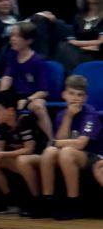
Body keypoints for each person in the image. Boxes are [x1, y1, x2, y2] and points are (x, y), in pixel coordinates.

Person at [35, 73, 102, 219]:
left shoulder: (90, 114)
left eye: (79, 95)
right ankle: (47, 200)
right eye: (71, 93)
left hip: (92, 156)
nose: (75, 98)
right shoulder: (62, 114)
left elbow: (81, 144)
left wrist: (55, 142)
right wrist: (69, 116)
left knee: (66, 152)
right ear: (64, 94)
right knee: (49, 152)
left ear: (85, 98)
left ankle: (73, 203)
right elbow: (60, 139)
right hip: (69, 152)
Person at [0, 88, 47, 214]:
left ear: (10, 110)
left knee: (22, 160)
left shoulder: (24, 120)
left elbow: (29, 149)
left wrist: (3, 153)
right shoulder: (2, 124)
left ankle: (37, 200)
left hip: (40, 157)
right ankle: (10, 201)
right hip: (22, 159)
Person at [0, 21, 54, 140]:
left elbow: (44, 91)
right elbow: (7, 78)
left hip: (33, 96)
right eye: (12, 35)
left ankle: (51, 141)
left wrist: (27, 100)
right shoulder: (12, 55)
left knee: (38, 106)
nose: (12, 39)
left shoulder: (37, 61)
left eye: (17, 36)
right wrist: (1, 97)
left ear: (28, 40)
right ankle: (3, 141)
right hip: (16, 95)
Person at [57, 0, 103, 72]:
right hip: (78, 53)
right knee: (63, 46)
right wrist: (86, 45)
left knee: (67, 49)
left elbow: (100, 42)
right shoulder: (78, 16)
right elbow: (71, 38)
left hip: (97, 55)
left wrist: (76, 43)